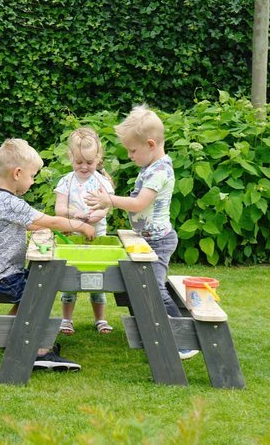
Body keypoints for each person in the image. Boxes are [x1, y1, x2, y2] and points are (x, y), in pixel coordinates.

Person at [84, 105, 199, 360]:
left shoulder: (160, 171)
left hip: (159, 242)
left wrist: (109, 200)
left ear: (150, 144)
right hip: (147, 240)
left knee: (155, 288)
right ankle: (154, 329)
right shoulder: (150, 168)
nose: (129, 155)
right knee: (144, 286)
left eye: (132, 150)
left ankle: (184, 341)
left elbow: (138, 204)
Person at [0, 138, 96, 371]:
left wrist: (57, 227)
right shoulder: (10, 203)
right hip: (0, 275)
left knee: (36, 283)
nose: (32, 181)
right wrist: (79, 226)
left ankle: (9, 335)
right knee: (40, 290)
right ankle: (39, 351)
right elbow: (47, 220)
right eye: (32, 176)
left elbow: (33, 224)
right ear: (18, 173)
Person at [54, 127, 115, 336]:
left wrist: (93, 217)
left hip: (97, 237)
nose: (84, 167)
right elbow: (59, 209)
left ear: (98, 158)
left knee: (97, 279)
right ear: (70, 157)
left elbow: (106, 207)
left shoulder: (101, 181)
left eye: (89, 163)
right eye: (79, 162)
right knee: (69, 279)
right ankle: (66, 319)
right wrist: (75, 214)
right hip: (73, 238)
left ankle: (100, 319)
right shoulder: (66, 181)